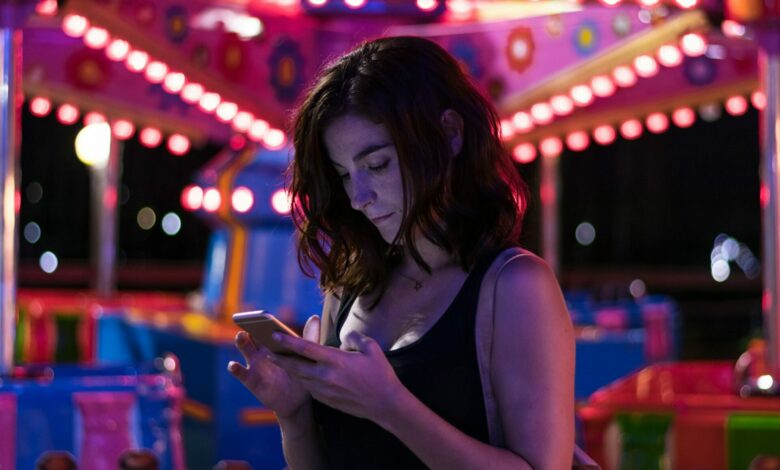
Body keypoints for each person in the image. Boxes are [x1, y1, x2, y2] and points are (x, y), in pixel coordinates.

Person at [228, 36, 575, 469]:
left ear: (449, 134)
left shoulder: (515, 284)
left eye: (377, 165)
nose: (359, 197)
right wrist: (294, 413)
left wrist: (391, 406)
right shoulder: (352, 282)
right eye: (344, 176)